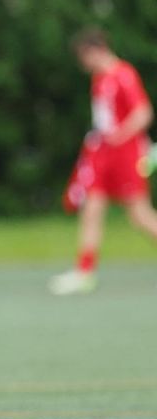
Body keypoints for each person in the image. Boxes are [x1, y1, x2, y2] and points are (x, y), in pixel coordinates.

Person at [50, 28, 157, 295]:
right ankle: (85, 272)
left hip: (125, 153)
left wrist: (119, 136)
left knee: (140, 216)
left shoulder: (124, 74)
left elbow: (143, 113)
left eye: (84, 57)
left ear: (94, 50)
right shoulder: (100, 78)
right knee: (92, 208)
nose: (83, 64)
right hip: (104, 154)